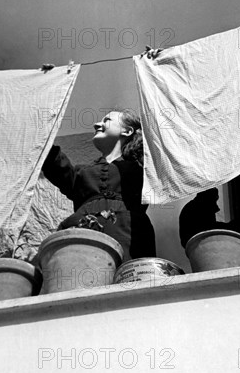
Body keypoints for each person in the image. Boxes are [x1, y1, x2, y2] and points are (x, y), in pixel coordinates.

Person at [42, 110, 156, 261]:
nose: (97, 124)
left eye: (106, 120)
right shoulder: (81, 172)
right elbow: (54, 163)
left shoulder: (143, 167)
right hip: (82, 231)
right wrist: (41, 131)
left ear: (127, 131)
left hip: (130, 232)